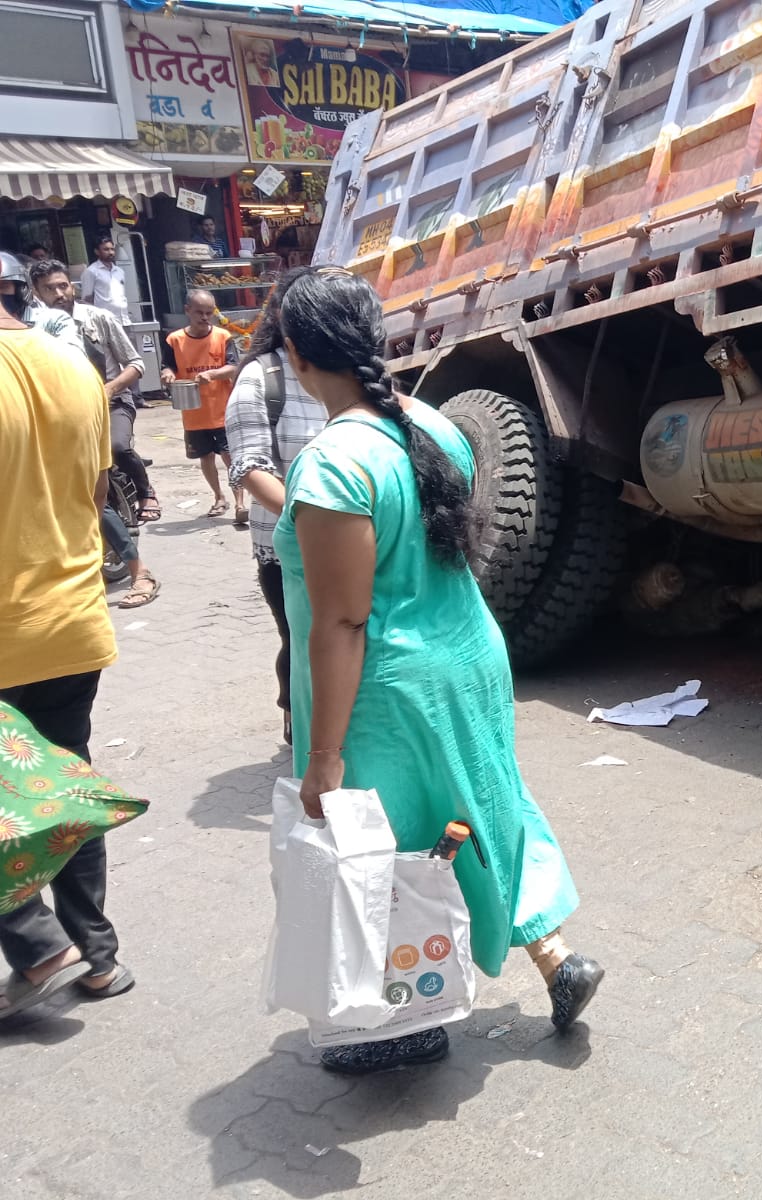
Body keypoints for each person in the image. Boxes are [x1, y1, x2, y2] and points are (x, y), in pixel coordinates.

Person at [276, 268, 602, 1072]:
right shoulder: (428, 423)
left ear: (295, 355)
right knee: (486, 810)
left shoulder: (333, 464)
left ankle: (407, 1021)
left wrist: (323, 758)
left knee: (394, 853)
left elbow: (344, 619)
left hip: (391, 691)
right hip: (468, 658)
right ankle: (556, 958)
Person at [0, 290, 135, 1020]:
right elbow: (96, 491)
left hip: (6, 629)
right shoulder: (75, 366)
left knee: (18, 799)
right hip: (73, 617)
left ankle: (35, 940)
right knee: (66, 791)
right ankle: (97, 955)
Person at [225, 271, 325, 743]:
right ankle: (299, 722)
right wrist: (324, 515)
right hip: (285, 548)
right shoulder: (260, 377)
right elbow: (249, 467)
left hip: (355, 538)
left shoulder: (345, 369)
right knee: (301, 638)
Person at [32, 259, 163, 527]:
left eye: (63, 286)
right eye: (49, 289)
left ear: (73, 287)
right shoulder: (34, 328)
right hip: (64, 409)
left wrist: (108, 389)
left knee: (117, 447)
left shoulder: (99, 318)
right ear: (36, 293)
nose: (59, 294)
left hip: (113, 402)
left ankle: (145, 492)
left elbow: (136, 364)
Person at [160, 289, 245, 522]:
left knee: (230, 457)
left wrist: (214, 374)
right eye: (200, 312)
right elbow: (166, 366)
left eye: (210, 313)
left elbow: (233, 367)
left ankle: (240, 503)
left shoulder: (222, 337)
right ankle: (219, 497)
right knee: (205, 457)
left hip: (221, 410)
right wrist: (167, 375)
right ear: (187, 310)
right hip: (193, 412)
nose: (205, 317)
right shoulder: (174, 339)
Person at [79, 235, 130, 326]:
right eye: (106, 249)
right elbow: (86, 301)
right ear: (97, 252)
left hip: (124, 320)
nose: (110, 252)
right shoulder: (91, 271)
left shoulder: (119, 271)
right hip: (105, 323)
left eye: (112, 249)